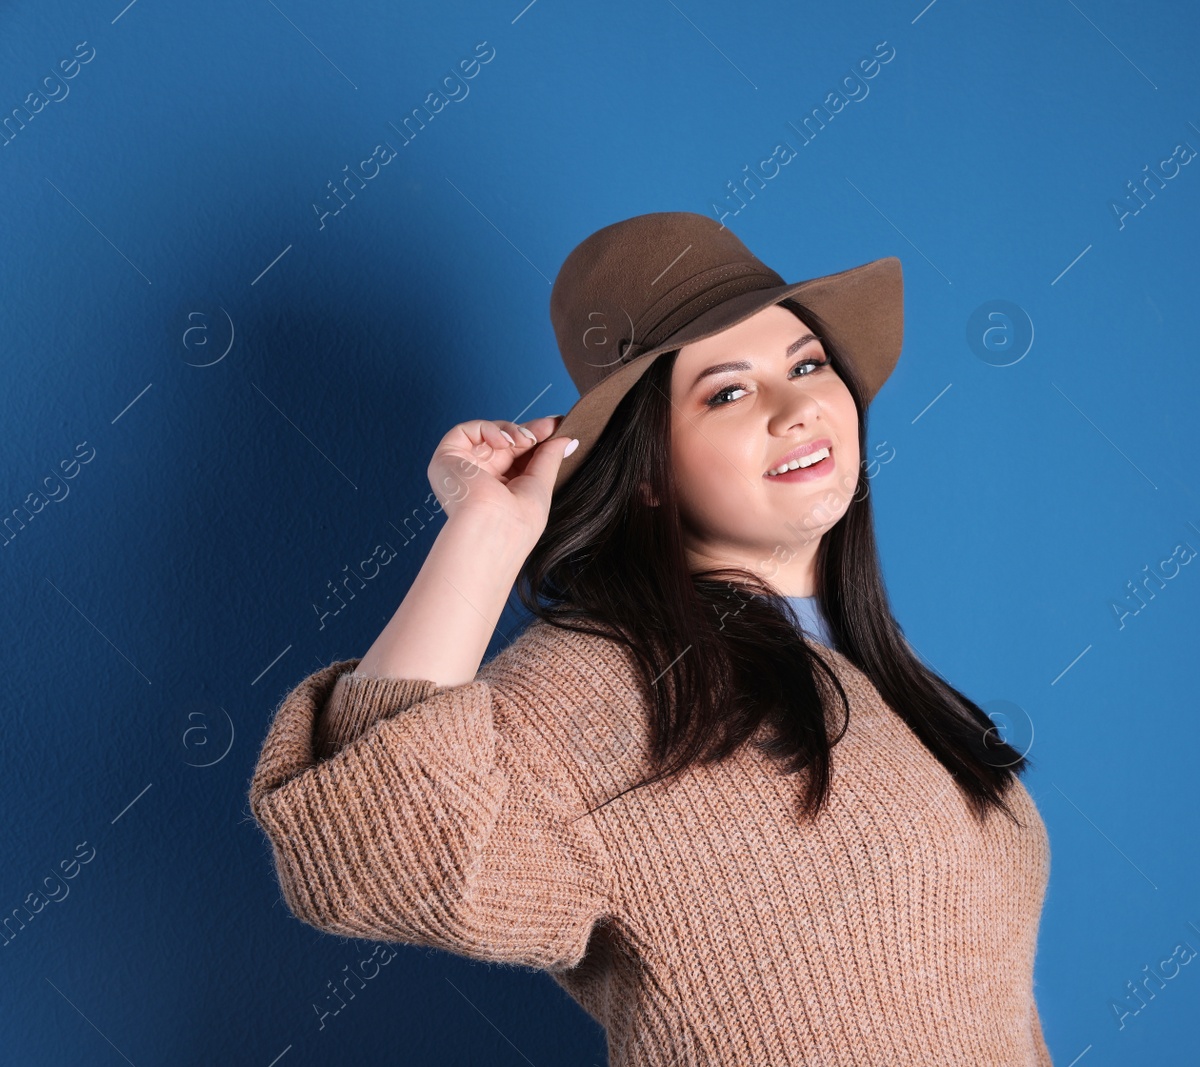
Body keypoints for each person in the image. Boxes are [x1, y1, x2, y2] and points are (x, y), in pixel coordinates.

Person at [249, 211, 1053, 1065]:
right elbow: (373, 855)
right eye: (728, 391)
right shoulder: (616, 674)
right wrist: (484, 531)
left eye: (808, 363)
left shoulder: (874, 672)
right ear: (650, 476)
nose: (795, 409)